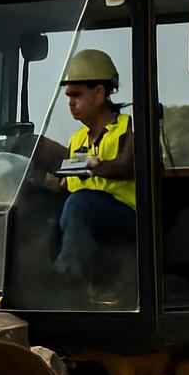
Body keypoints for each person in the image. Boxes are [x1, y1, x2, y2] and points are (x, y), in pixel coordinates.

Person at [50, 49, 136, 303]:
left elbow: (129, 166)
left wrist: (93, 166)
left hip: (129, 218)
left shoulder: (130, 127)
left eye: (77, 95)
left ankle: (66, 279)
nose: (70, 103)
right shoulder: (76, 140)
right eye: (68, 97)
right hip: (85, 219)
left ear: (99, 93)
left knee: (80, 204)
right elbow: (67, 185)